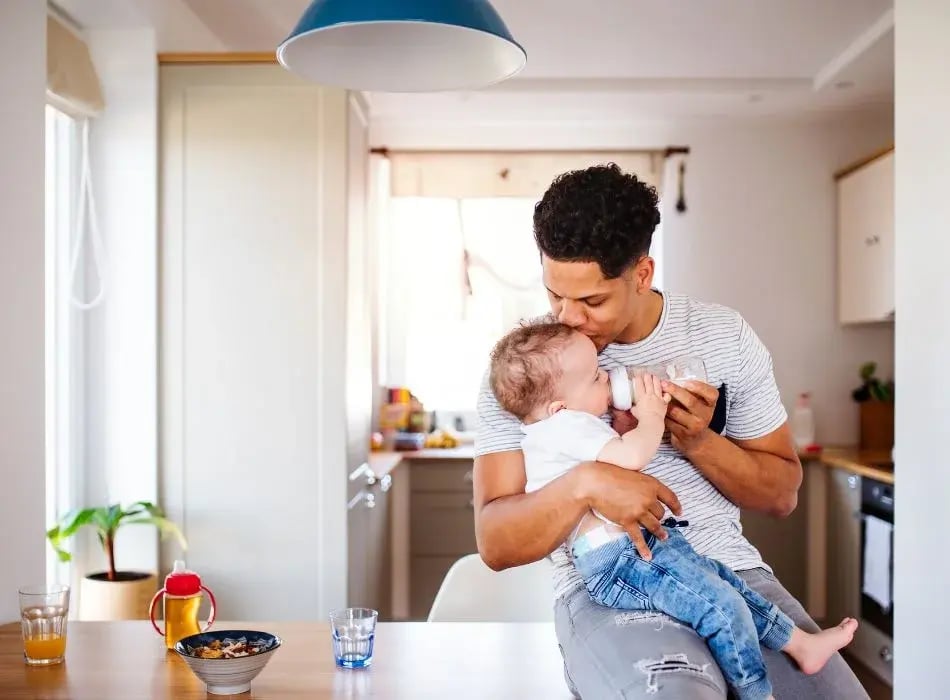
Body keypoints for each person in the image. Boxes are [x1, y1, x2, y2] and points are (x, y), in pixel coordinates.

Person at [473, 163, 870, 699]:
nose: (568, 318)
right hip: (610, 588)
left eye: (591, 302)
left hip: (729, 571)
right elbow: (495, 542)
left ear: (642, 273)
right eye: (555, 295)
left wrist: (699, 441)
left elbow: (781, 496)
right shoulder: (529, 372)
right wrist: (588, 483)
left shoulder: (721, 337)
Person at [487, 320, 857, 700]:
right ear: (559, 406)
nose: (609, 378)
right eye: (597, 377)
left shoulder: (560, 427)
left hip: (640, 548)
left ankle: (799, 644)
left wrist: (627, 426)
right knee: (722, 605)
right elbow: (630, 458)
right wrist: (651, 418)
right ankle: (757, 693)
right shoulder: (563, 427)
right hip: (619, 561)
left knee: (726, 583)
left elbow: (611, 461)